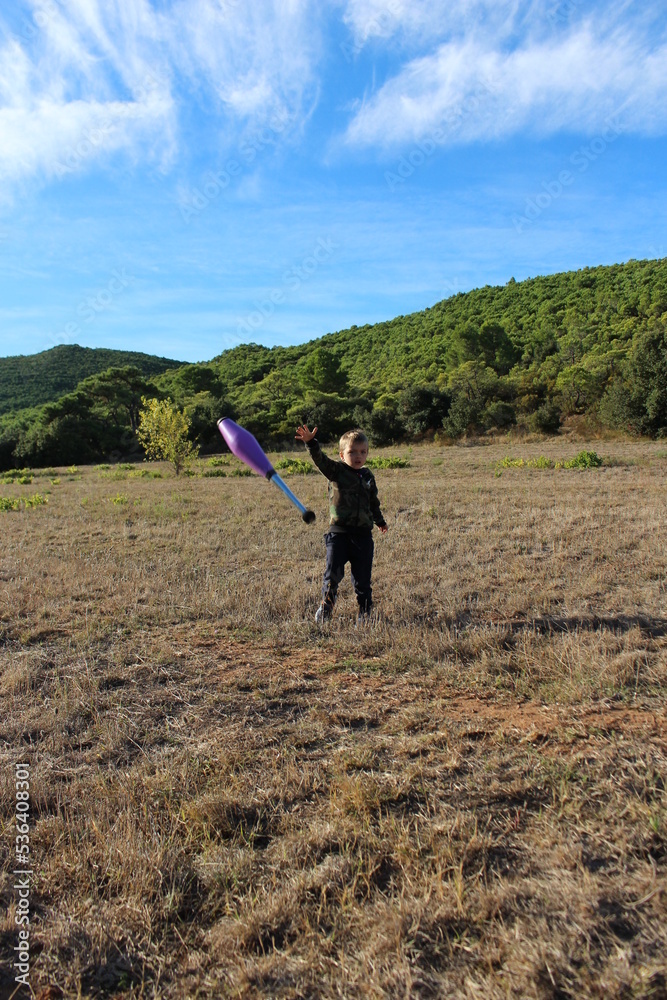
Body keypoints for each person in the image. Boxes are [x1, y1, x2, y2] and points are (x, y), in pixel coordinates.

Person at [295, 423, 388, 624]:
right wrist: (311, 443)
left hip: (363, 536)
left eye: (363, 452)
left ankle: (365, 612)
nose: (358, 456)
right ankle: (326, 607)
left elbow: (373, 502)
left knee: (362, 579)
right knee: (332, 575)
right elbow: (320, 460)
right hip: (339, 535)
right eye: (352, 452)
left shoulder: (368, 476)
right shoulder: (336, 471)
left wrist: (379, 520)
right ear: (341, 454)